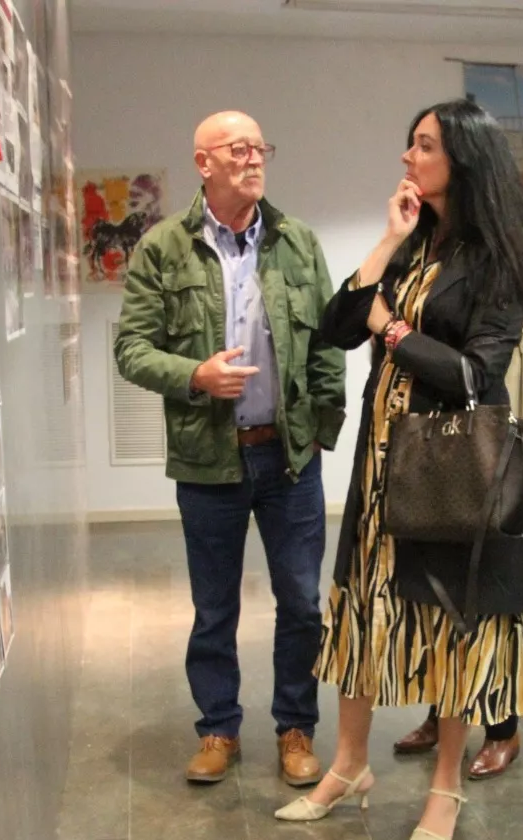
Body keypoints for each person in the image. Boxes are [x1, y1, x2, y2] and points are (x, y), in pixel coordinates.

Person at [274, 99, 523, 840]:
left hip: (450, 466)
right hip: (382, 461)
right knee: (361, 608)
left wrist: (392, 329)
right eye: (410, 144)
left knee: (448, 620)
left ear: (464, 157)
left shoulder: (504, 256)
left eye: (424, 146)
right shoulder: (416, 241)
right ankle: (348, 765)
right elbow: (338, 326)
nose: (408, 157)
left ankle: (445, 785)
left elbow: (472, 374)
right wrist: (389, 239)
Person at [114, 111, 346, 788]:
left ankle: (296, 728)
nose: (254, 159)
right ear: (203, 163)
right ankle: (218, 729)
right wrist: (195, 375)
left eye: (259, 148)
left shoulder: (296, 241)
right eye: (238, 149)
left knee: (301, 601)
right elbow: (131, 349)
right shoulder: (163, 248)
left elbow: (328, 343)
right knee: (214, 607)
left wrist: (320, 429)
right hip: (208, 457)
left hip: (289, 459)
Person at [393, 215, 523, 779]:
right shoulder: (466, 312)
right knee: (441, 608)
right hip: (452, 488)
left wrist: (519, 496)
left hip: (505, 506)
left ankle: (503, 730)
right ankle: (441, 713)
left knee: (499, 618)